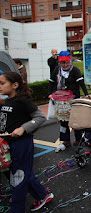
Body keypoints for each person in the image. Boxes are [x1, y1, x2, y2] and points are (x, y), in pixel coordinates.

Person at [0, 72, 53, 212]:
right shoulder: (7, 100)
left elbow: (41, 117)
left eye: (2, 83)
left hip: (21, 144)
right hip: (8, 144)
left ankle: (16, 208)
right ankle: (43, 195)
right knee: (21, 172)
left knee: (19, 176)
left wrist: (23, 128)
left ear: (15, 85)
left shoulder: (23, 101)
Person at [48, 51, 90, 150]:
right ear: (60, 63)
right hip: (61, 100)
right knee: (63, 121)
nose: (65, 65)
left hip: (73, 99)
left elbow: (81, 82)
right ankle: (65, 140)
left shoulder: (75, 70)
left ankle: (78, 138)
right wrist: (50, 93)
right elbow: (51, 82)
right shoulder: (57, 70)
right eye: (63, 63)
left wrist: (87, 94)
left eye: (67, 62)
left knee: (75, 119)